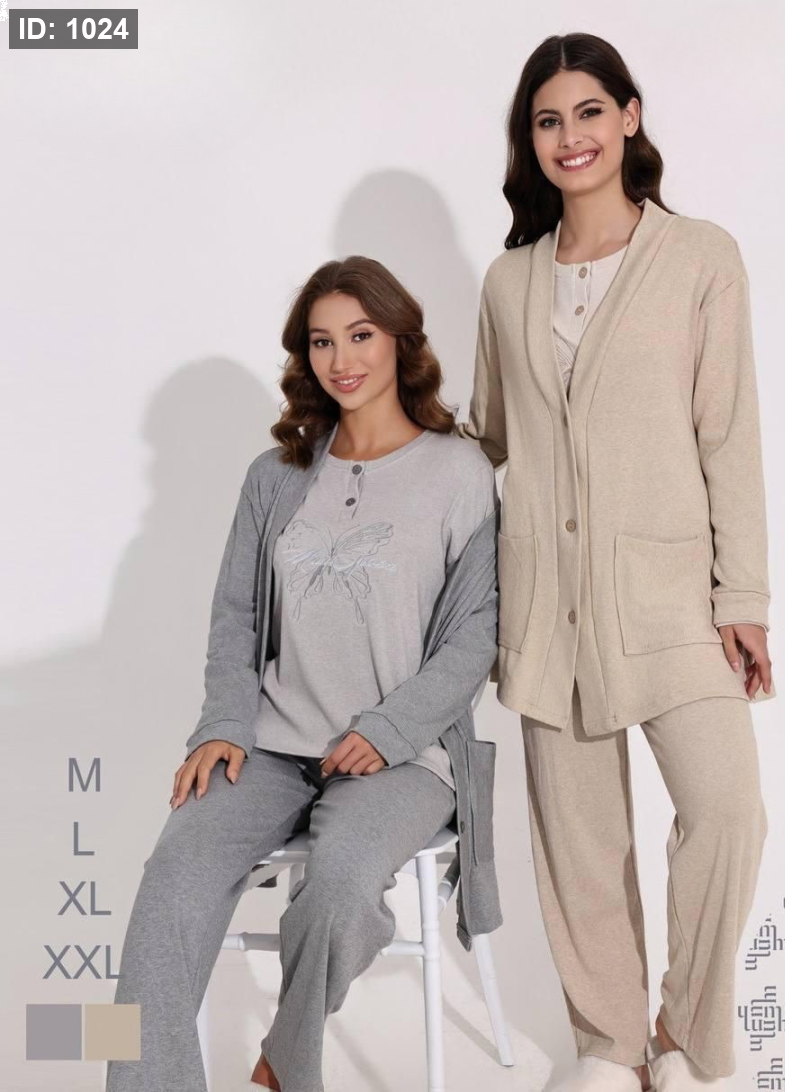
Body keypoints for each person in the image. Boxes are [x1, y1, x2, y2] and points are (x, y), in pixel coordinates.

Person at [458, 32, 776, 1092]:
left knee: (727, 811)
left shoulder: (701, 258)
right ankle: (609, 1047)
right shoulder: (508, 282)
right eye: (549, 120)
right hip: (546, 606)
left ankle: (686, 1036)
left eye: (589, 112)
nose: (571, 137)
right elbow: (487, 439)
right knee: (581, 847)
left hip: (671, 597)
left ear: (629, 117)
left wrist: (743, 596)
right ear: (530, 140)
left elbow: (728, 434)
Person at [107, 255, 501, 1092]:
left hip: (404, 755)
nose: (341, 359)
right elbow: (235, 619)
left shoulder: (459, 473)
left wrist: (389, 730)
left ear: (400, 340)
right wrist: (221, 725)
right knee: (170, 883)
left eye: (360, 335)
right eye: (322, 342)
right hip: (271, 745)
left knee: (341, 885)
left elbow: (475, 637)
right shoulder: (276, 475)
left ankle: (284, 1060)